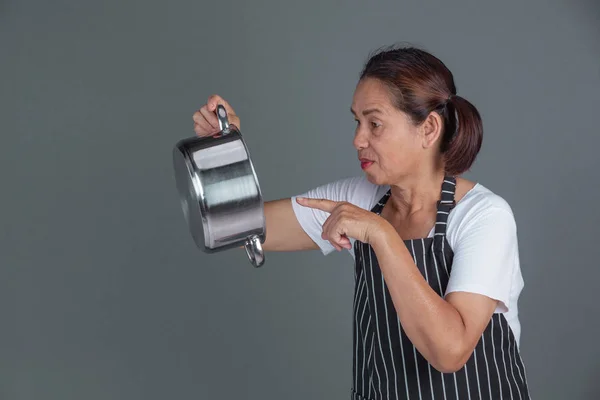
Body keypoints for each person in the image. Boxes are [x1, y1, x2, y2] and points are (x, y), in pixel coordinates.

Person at [192, 45, 531, 400]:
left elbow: (449, 351)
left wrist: (381, 233)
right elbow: (236, 224)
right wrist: (224, 154)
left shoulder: (484, 216)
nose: (358, 139)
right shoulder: (360, 201)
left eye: (375, 123)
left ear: (429, 129)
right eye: (357, 121)